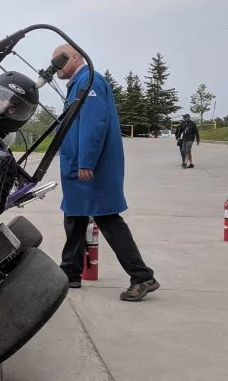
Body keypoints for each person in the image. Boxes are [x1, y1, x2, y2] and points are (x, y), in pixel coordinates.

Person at [52, 44, 161, 302]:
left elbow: (93, 124)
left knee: (108, 219)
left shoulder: (90, 82)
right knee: (75, 216)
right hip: (77, 165)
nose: (55, 66)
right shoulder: (79, 83)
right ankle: (70, 272)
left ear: (74, 57)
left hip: (90, 168)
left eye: (59, 60)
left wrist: (86, 162)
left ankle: (142, 276)